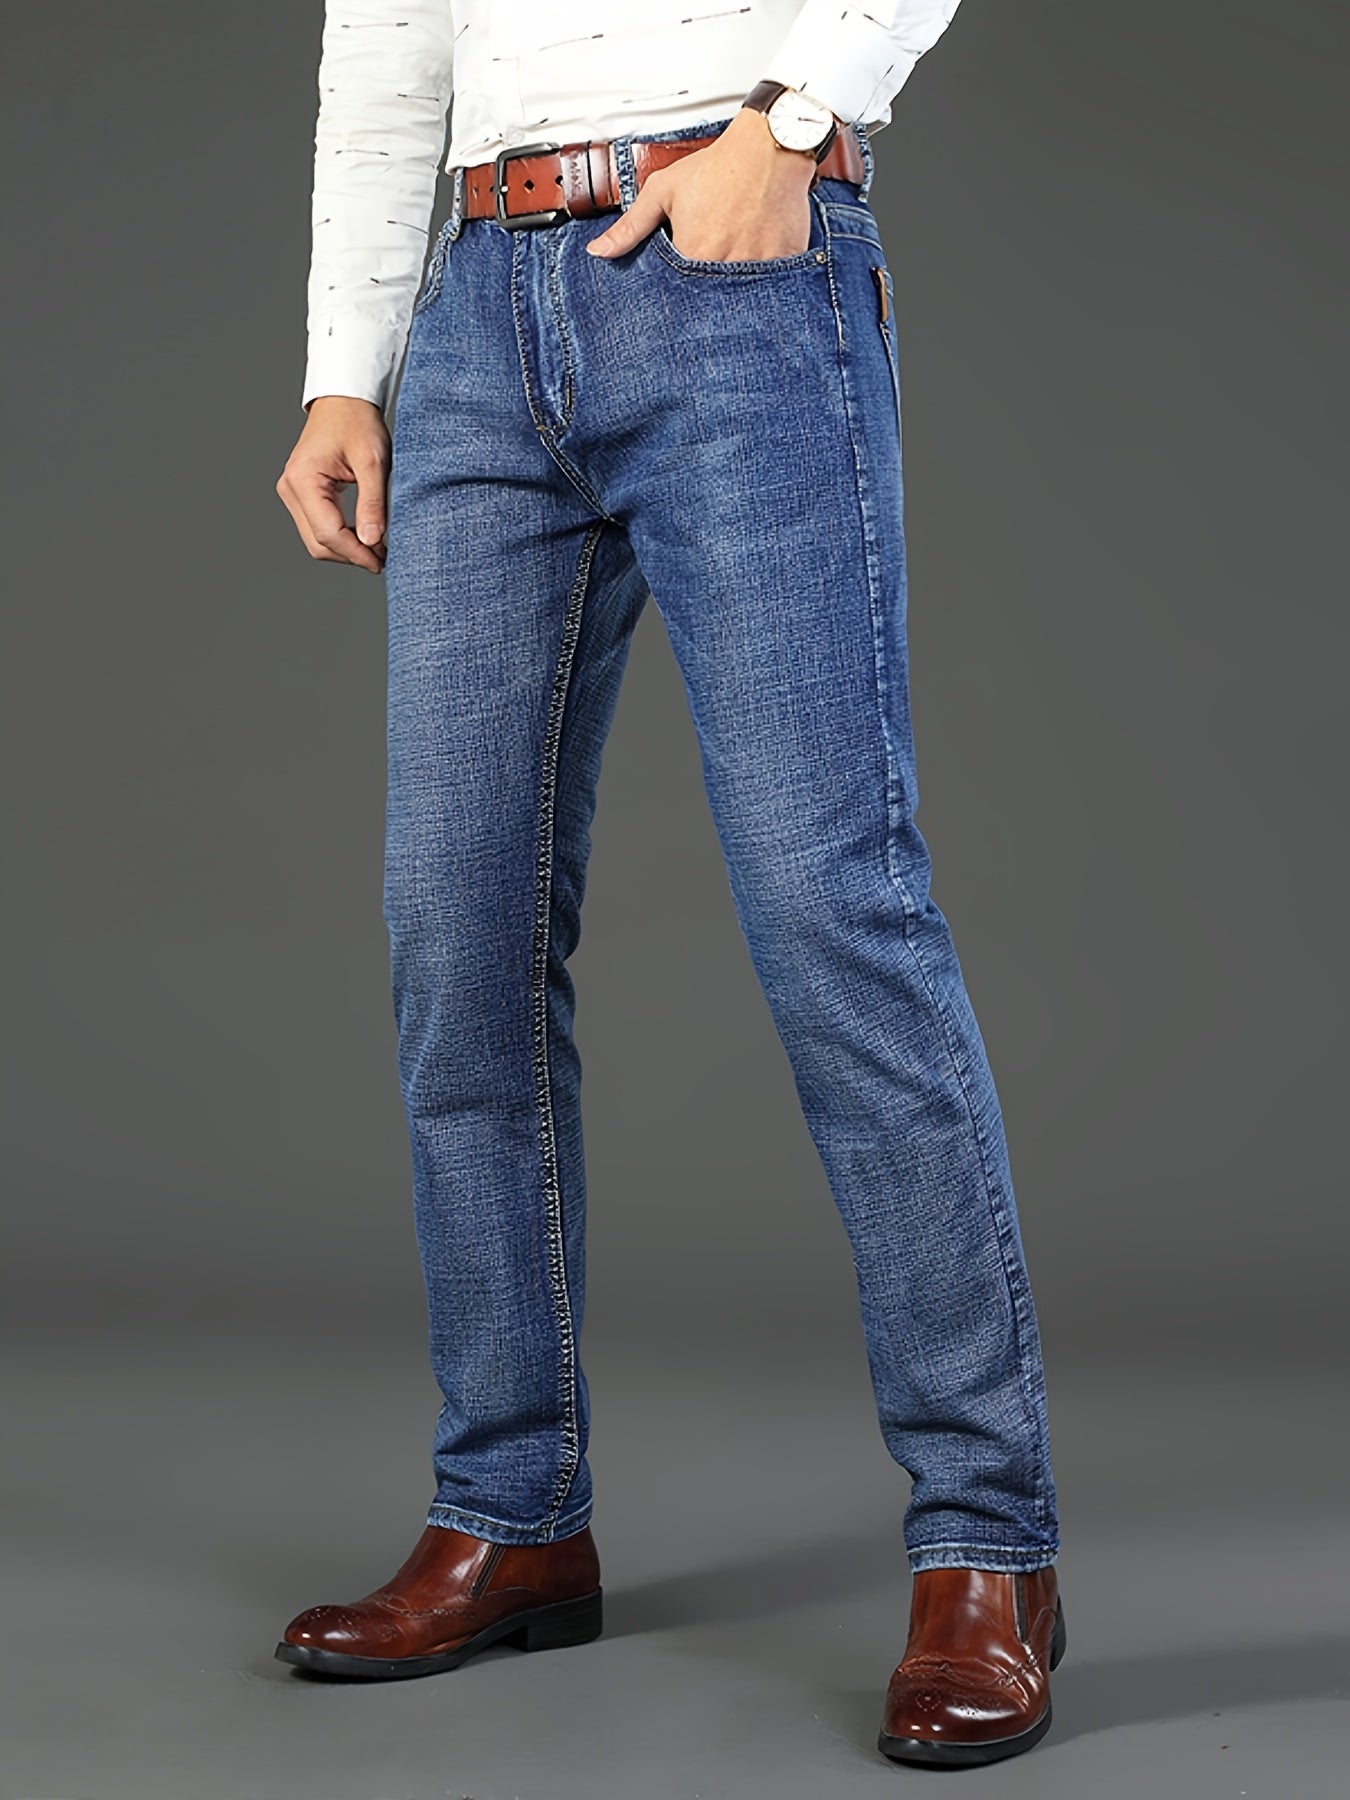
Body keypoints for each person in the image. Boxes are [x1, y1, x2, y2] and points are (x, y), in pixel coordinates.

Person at [273, 0, 1066, 1769]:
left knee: (833, 913)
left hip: (730, 271)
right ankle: (510, 1514)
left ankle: (987, 1550)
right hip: (478, 312)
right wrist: (346, 366)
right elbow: (387, 48)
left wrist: (790, 125)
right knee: (456, 936)